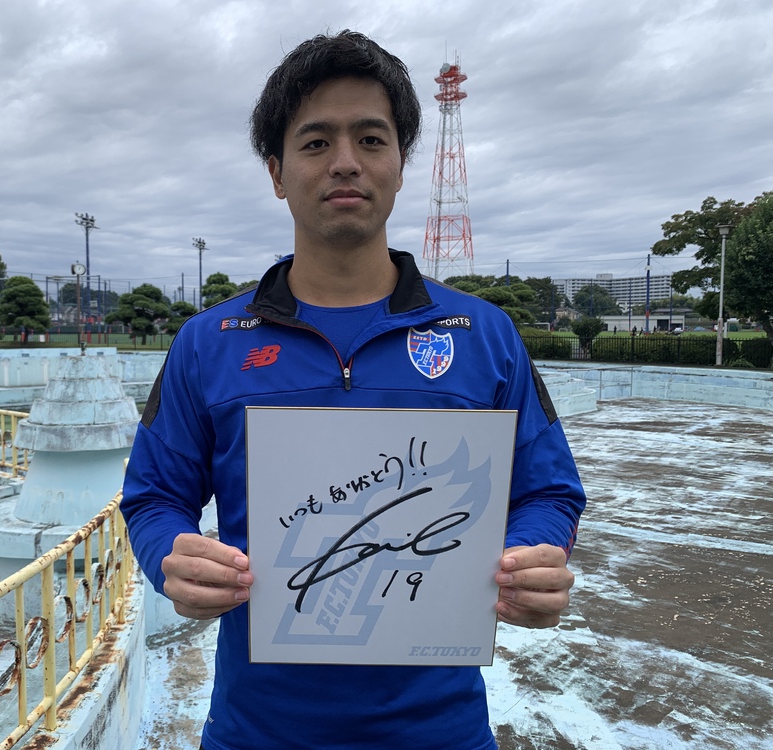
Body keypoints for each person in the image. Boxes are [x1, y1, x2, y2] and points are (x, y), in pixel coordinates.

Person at [121, 30, 586, 750]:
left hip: (442, 732)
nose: (345, 161)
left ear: (400, 164)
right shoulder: (208, 343)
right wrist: (170, 558)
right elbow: (153, 498)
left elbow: (549, 492)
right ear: (277, 173)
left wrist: (530, 557)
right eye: (315, 142)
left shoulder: (484, 335)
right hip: (258, 731)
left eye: (371, 139)